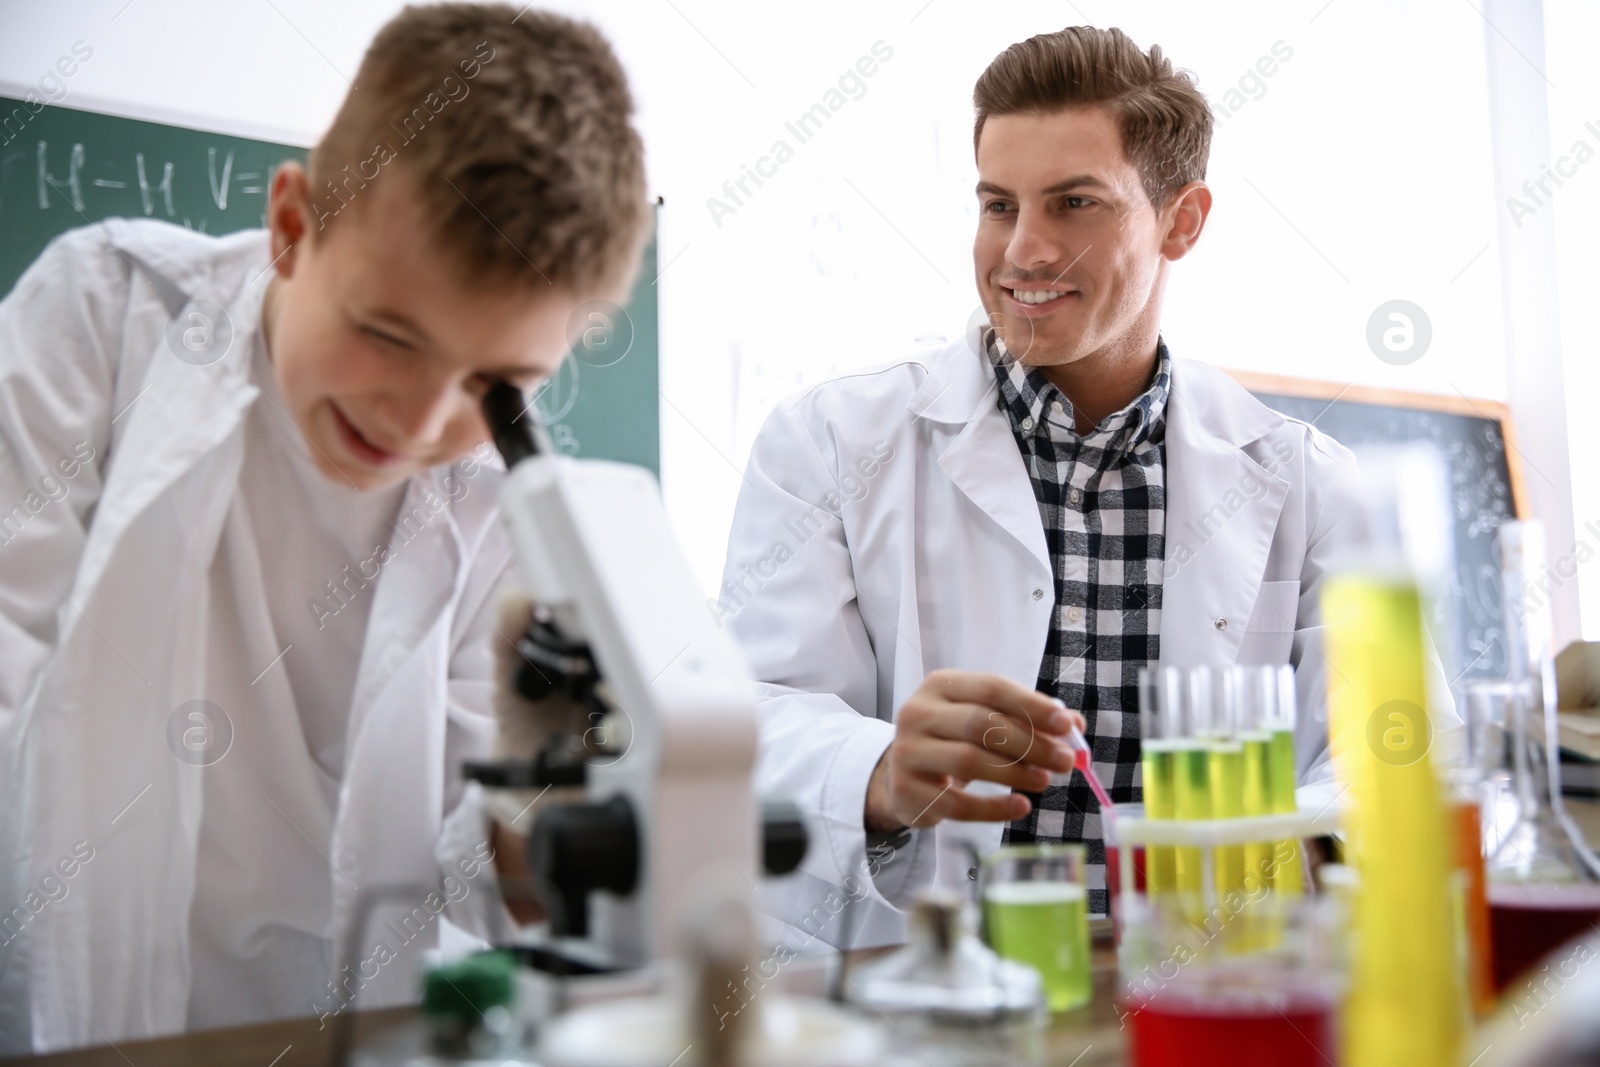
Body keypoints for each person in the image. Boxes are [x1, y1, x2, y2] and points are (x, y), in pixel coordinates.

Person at [0, 4, 647, 1051]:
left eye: (494, 382)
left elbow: (486, 878)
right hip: (69, 1013)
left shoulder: (512, 505)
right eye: (388, 334)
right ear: (293, 226)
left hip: (342, 1027)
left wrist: (552, 807)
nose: (423, 420)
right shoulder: (106, 315)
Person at [720, 25, 1439, 946]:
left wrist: (1278, 857)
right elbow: (751, 714)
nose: (1023, 250)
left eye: (1074, 203)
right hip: (924, 993)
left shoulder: (1307, 482)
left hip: (1204, 990)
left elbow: (1401, 755)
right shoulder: (828, 441)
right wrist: (881, 769)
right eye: (997, 203)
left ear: (1182, 220)